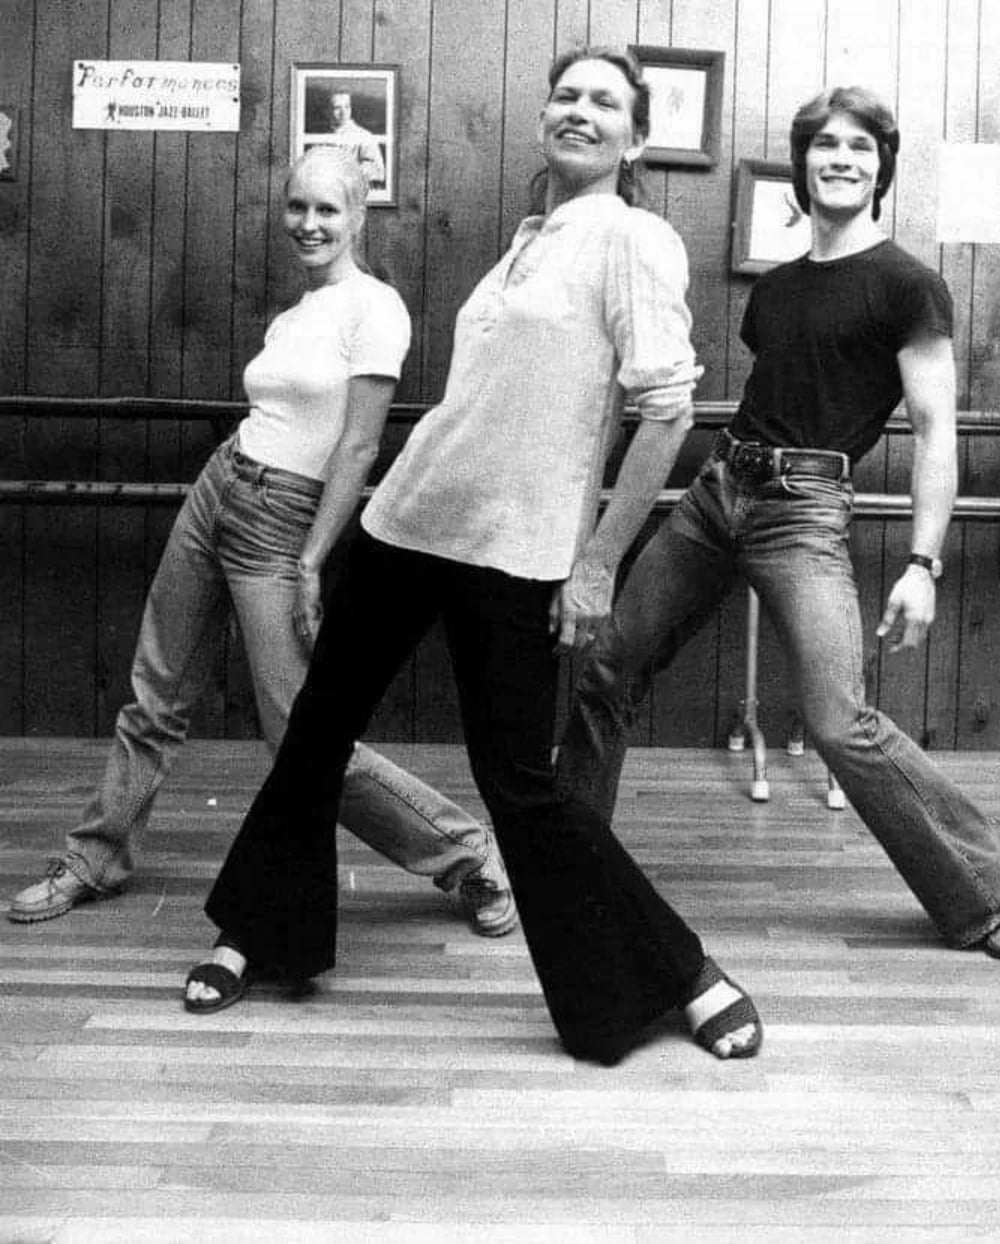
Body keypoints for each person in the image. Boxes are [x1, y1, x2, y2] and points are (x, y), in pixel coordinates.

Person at [183, 47, 763, 1066]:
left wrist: (594, 565)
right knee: (314, 734)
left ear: (635, 137)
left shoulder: (633, 238)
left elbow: (666, 409)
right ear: (545, 114)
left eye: (605, 102)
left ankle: (684, 972)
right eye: (567, 94)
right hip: (405, 523)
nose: (579, 111)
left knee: (521, 787)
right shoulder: (528, 241)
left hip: (516, 553)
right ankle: (258, 933)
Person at [556, 85, 1000, 961]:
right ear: (803, 163)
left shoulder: (907, 286)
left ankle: (985, 893)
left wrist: (922, 564)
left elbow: (934, 434)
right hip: (715, 494)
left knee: (837, 718)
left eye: (860, 147)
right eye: (825, 145)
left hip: (804, 512)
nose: (841, 158)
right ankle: (565, 861)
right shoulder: (774, 291)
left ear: (881, 169)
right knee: (607, 668)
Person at [8, 146, 516, 942]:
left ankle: (466, 854)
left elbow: (355, 450)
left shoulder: (375, 308)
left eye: (327, 210)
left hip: (283, 519)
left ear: (358, 215)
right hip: (221, 486)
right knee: (154, 692)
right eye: (297, 208)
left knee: (300, 734)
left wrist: (312, 560)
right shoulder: (296, 313)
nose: (309, 225)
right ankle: (93, 857)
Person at [317, 90, 385, 186]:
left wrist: (347, 172)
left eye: (347, 107)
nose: (343, 112)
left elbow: (376, 170)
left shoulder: (364, 136)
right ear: (327, 111)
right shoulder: (320, 138)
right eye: (337, 108)